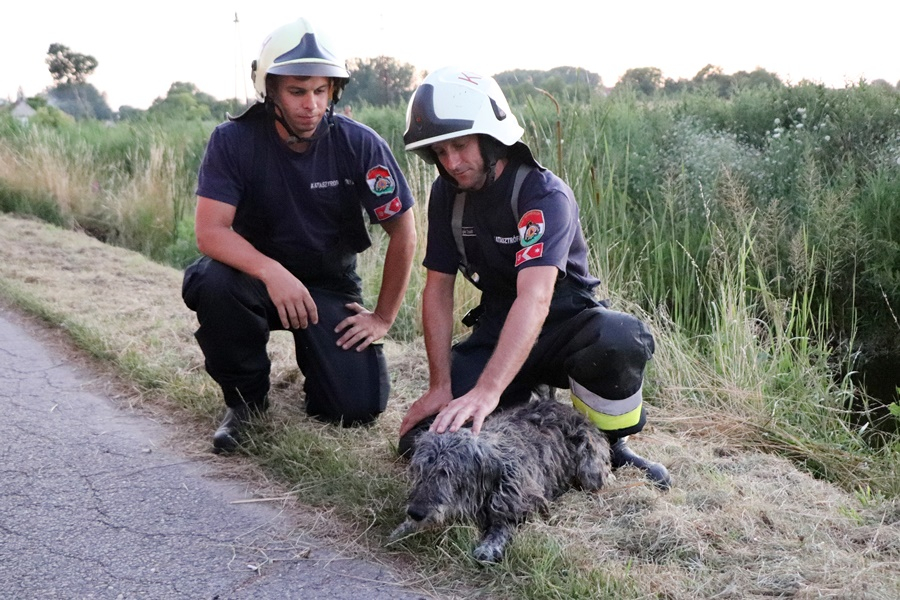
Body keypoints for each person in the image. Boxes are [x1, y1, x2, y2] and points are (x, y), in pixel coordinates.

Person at [397, 67, 669, 488]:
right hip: (499, 324)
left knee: (619, 337)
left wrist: (487, 390)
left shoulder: (543, 193)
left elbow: (536, 297)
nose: (451, 163)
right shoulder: (446, 193)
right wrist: (440, 385)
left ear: (491, 138)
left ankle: (612, 446)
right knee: (422, 440)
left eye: (460, 146)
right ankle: (522, 415)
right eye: (439, 151)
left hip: (565, 323)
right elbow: (438, 288)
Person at [181, 17, 416, 453]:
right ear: (270, 89)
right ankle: (246, 402)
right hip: (252, 282)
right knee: (213, 281)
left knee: (356, 408)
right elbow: (210, 232)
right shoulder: (232, 141)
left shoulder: (359, 144)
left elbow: (404, 232)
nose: (311, 104)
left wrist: (382, 317)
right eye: (297, 91)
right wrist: (272, 272)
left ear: (334, 91)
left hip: (329, 284)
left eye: (321, 91)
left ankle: (323, 374)